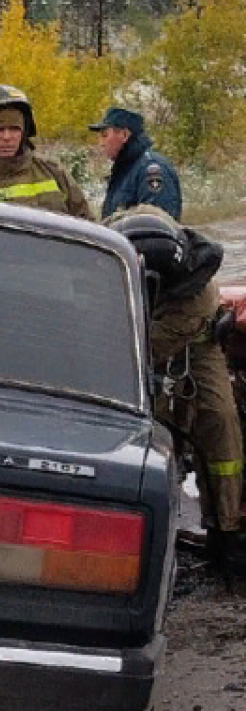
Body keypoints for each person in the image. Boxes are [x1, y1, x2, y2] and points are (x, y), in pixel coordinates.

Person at [108, 206, 246, 571]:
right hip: (132, 340)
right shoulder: (116, 241)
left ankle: (226, 528)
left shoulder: (195, 289)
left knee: (219, 420)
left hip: (195, 344)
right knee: (146, 429)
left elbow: (147, 348)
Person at [0, 83, 93, 220]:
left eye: (14, 129)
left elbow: (87, 227)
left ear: (25, 131)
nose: (7, 137)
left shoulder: (52, 172)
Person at [90, 107, 182, 221]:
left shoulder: (151, 170)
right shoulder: (123, 171)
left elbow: (159, 229)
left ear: (124, 135)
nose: (101, 143)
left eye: (104, 136)